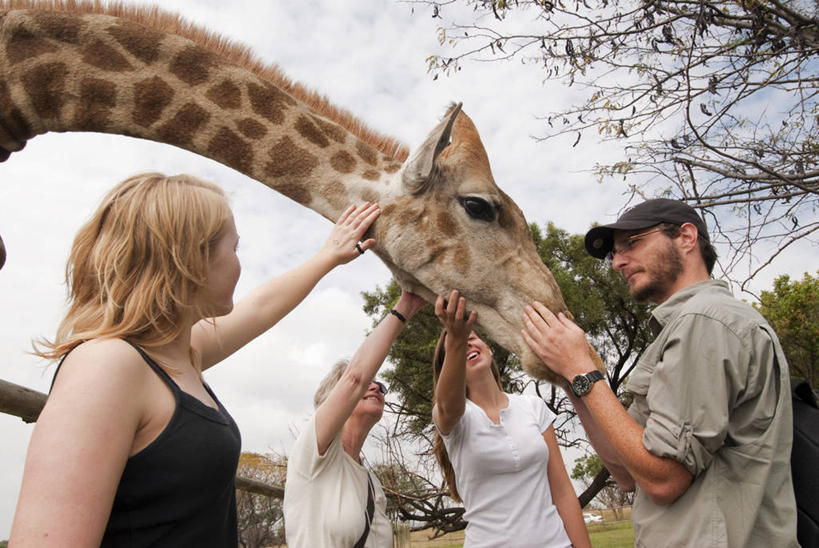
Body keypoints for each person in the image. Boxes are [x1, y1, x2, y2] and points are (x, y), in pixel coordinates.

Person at [10, 172, 381, 546]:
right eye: (234, 250)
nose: (240, 265)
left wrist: (329, 257)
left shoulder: (177, 355)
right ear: (191, 257)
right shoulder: (107, 365)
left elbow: (261, 307)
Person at [522, 198, 799, 547]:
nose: (617, 262)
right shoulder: (683, 329)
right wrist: (569, 376)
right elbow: (627, 473)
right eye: (614, 254)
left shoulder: (706, 321)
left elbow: (663, 479)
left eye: (632, 244)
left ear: (686, 237)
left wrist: (582, 369)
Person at [431, 290, 591, 548]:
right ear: (449, 365)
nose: (468, 343)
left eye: (473, 338)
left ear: (489, 349)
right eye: (461, 344)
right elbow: (448, 404)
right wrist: (455, 341)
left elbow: (562, 492)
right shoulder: (454, 418)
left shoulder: (533, 407)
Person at [283, 290, 425, 548]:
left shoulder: (373, 485)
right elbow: (354, 379)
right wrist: (407, 304)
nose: (375, 388)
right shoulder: (312, 455)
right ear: (334, 400)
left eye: (378, 384)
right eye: (364, 384)